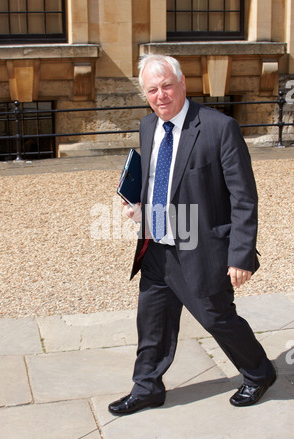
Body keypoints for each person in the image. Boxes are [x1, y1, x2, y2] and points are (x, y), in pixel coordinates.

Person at [109, 54, 276, 415]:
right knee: (152, 323)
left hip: (201, 249)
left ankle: (260, 373)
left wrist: (240, 255)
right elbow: (159, 182)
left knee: (217, 317)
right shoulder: (148, 126)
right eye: (152, 90)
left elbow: (244, 198)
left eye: (167, 86)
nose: (161, 96)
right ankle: (147, 387)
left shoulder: (219, 127)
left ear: (183, 83)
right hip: (155, 248)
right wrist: (137, 206)